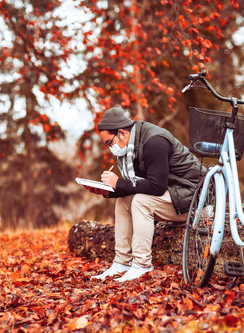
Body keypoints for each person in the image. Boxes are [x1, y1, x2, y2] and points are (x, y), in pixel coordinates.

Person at [84, 107, 205, 282]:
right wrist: (107, 191)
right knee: (124, 202)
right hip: (173, 194)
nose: (110, 148)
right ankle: (122, 262)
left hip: (193, 197)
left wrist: (118, 183)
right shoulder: (131, 147)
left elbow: (156, 186)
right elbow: (137, 185)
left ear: (122, 133)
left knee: (141, 202)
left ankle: (142, 265)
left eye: (109, 142)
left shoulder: (154, 142)